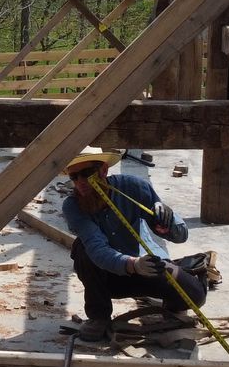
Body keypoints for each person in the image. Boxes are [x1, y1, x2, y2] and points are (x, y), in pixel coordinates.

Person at [60, 147, 207, 344]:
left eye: (86, 174)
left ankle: (171, 306)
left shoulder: (132, 187)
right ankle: (99, 316)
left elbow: (181, 235)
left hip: (148, 267)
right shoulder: (73, 206)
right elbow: (97, 249)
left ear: (103, 171)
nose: (80, 183)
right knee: (82, 249)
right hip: (109, 276)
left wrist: (167, 222)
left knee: (195, 296)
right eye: (74, 177)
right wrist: (133, 264)